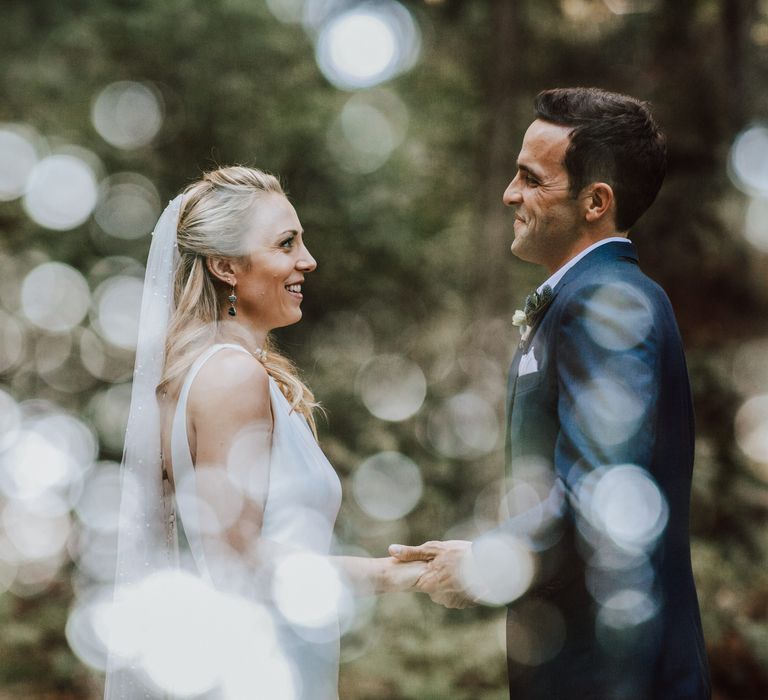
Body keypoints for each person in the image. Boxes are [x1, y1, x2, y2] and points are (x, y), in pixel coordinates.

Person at [391, 88, 711, 699]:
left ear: (596, 201)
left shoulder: (604, 302)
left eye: (531, 179)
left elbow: (598, 492)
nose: (509, 194)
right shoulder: (586, 296)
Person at [105, 166, 425, 700]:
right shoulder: (231, 376)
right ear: (226, 265)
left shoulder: (221, 372)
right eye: (286, 243)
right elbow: (238, 557)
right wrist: (388, 575)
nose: (308, 259)